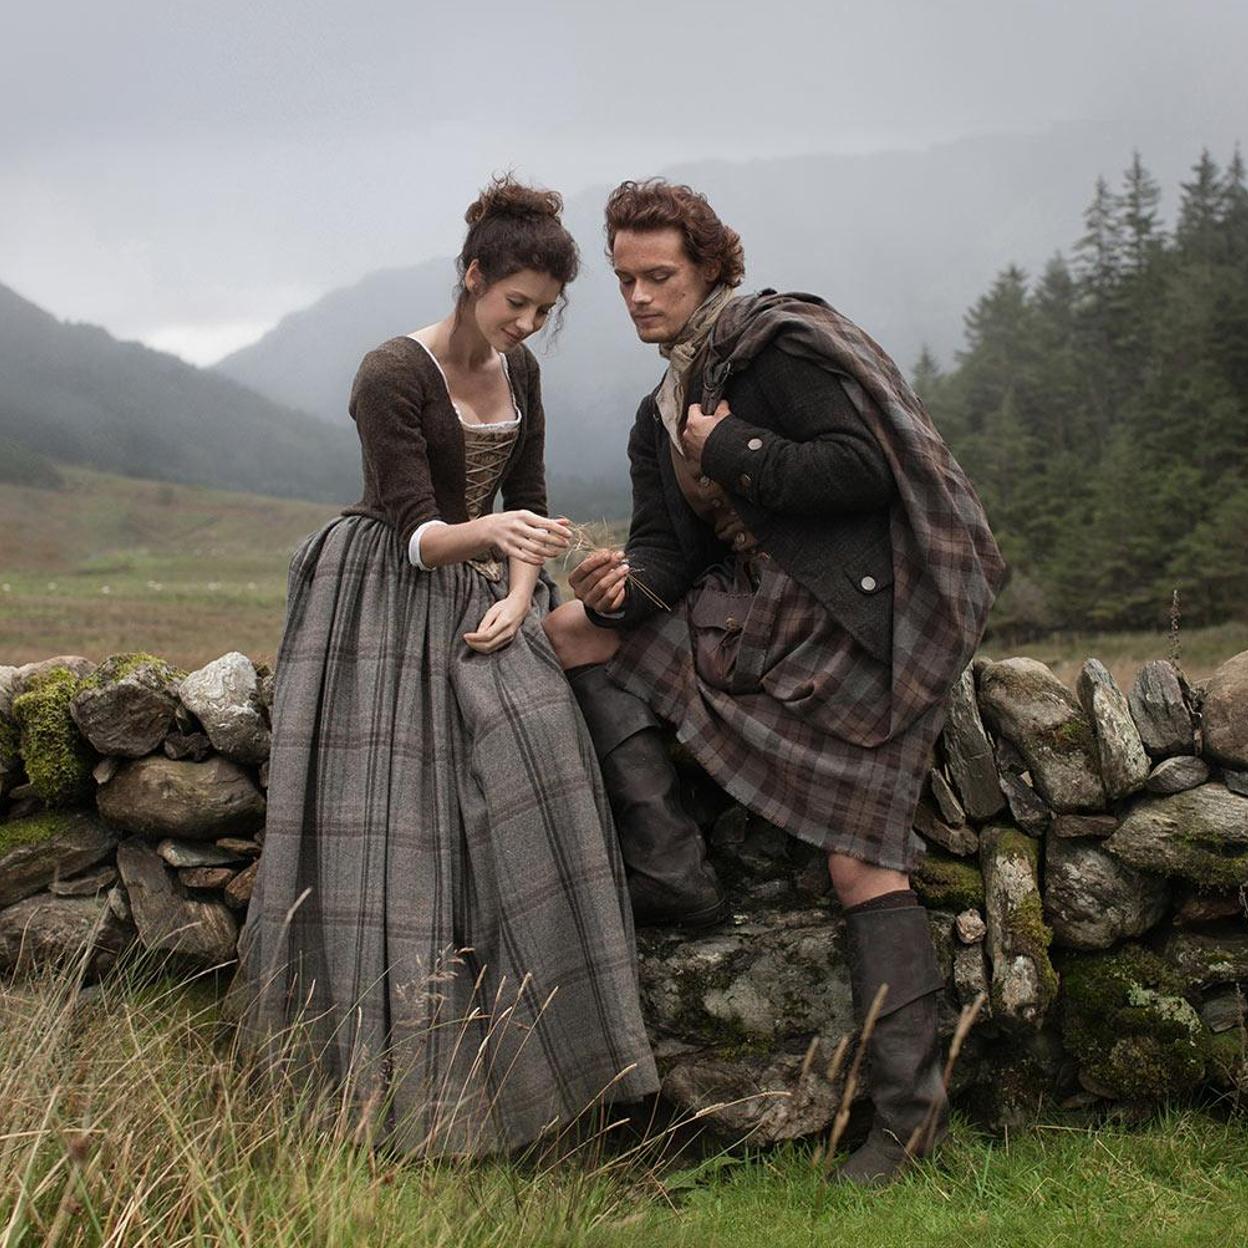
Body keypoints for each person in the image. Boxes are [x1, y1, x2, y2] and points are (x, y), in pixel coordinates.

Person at [542, 179, 1005, 1185]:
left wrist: (733, 447)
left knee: (859, 866)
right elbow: (669, 557)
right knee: (569, 634)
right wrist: (618, 588)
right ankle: (672, 871)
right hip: (752, 618)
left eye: (658, 275)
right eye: (623, 280)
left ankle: (908, 1125)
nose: (638, 297)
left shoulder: (775, 349)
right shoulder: (659, 411)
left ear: (710, 266)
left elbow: (863, 469)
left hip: (856, 626)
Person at [238, 176, 658, 1158]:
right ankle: (383, 1089)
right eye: (516, 302)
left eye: (544, 311)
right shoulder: (391, 372)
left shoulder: (524, 373)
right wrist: (495, 541)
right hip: (385, 589)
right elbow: (414, 527)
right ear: (472, 276)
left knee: (541, 755)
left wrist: (520, 590)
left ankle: (570, 1075)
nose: (527, 324)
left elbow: (530, 501)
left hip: (483, 588)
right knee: (400, 826)